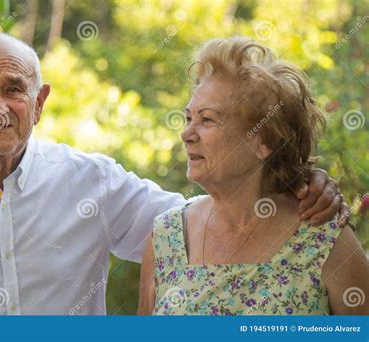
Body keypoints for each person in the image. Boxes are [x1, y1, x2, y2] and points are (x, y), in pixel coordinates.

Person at [0, 33, 347, 315]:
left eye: (14, 89)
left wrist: (292, 184)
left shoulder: (93, 183)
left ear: (39, 103)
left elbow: (211, 222)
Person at [138, 36, 368, 315]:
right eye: (189, 118)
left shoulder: (324, 238)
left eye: (207, 119)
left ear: (263, 140)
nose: (186, 134)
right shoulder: (165, 238)